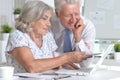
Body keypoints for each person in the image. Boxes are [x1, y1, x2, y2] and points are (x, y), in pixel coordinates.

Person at [5, 1, 92, 73]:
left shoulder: (46, 36)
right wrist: (66, 58)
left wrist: (63, 62)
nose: (49, 24)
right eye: (44, 18)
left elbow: (53, 59)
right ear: (31, 18)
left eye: (49, 19)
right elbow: (31, 67)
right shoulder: (17, 36)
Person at [50, 0, 96, 68]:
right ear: (57, 14)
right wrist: (67, 58)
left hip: (77, 73)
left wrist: (78, 36)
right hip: (51, 71)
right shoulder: (48, 24)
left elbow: (86, 64)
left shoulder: (87, 26)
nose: (73, 20)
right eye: (68, 15)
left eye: (77, 14)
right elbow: (42, 55)